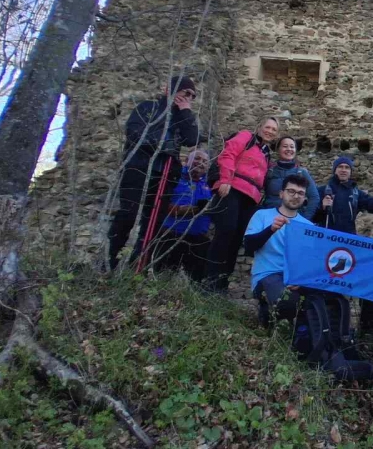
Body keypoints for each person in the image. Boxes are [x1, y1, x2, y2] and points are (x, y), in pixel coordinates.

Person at [107, 75, 199, 271]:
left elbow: (192, 139)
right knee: (128, 213)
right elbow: (134, 132)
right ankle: (109, 261)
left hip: (165, 173)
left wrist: (186, 112)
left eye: (192, 95)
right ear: (170, 90)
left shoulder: (183, 117)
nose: (189, 97)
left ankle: (137, 267)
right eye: (186, 92)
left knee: (153, 222)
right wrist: (160, 145)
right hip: (139, 166)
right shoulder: (148, 108)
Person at [316, 155, 373, 334]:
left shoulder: (355, 193)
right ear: (335, 170)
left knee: (362, 282)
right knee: (328, 287)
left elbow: (371, 204)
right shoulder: (322, 191)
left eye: (347, 167)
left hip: (349, 246)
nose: (344, 170)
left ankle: (365, 327)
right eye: (340, 167)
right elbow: (311, 215)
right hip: (326, 246)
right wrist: (322, 207)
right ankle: (328, 328)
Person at [204, 116, 278, 292]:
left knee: (237, 239)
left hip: (250, 199)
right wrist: (225, 179)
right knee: (225, 231)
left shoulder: (266, 153)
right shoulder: (246, 137)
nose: (270, 131)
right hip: (232, 190)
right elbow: (228, 154)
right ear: (259, 127)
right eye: (267, 127)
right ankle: (209, 280)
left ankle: (222, 283)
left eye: (274, 130)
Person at [243, 174, 313, 325]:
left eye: (300, 193)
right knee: (287, 302)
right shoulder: (262, 215)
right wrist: (271, 229)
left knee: (321, 299)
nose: (296, 196)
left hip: (294, 278)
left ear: (305, 198)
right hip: (267, 274)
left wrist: (301, 280)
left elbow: (309, 261)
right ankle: (267, 317)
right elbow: (249, 246)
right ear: (281, 194)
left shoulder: (309, 227)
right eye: (291, 191)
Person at [148, 149, 212, 277]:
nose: (201, 163)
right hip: (171, 234)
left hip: (197, 239)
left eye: (205, 161)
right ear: (187, 160)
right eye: (197, 158)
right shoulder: (174, 177)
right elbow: (163, 205)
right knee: (163, 275)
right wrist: (193, 209)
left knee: (196, 279)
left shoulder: (209, 185)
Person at [260, 136, 320, 219]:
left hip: (293, 219)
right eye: (285, 146)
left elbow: (314, 197)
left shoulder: (301, 172)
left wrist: (305, 219)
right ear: (278, 149)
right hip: (270, 217)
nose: (289, 149)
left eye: (292, 147)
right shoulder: (270, 172)